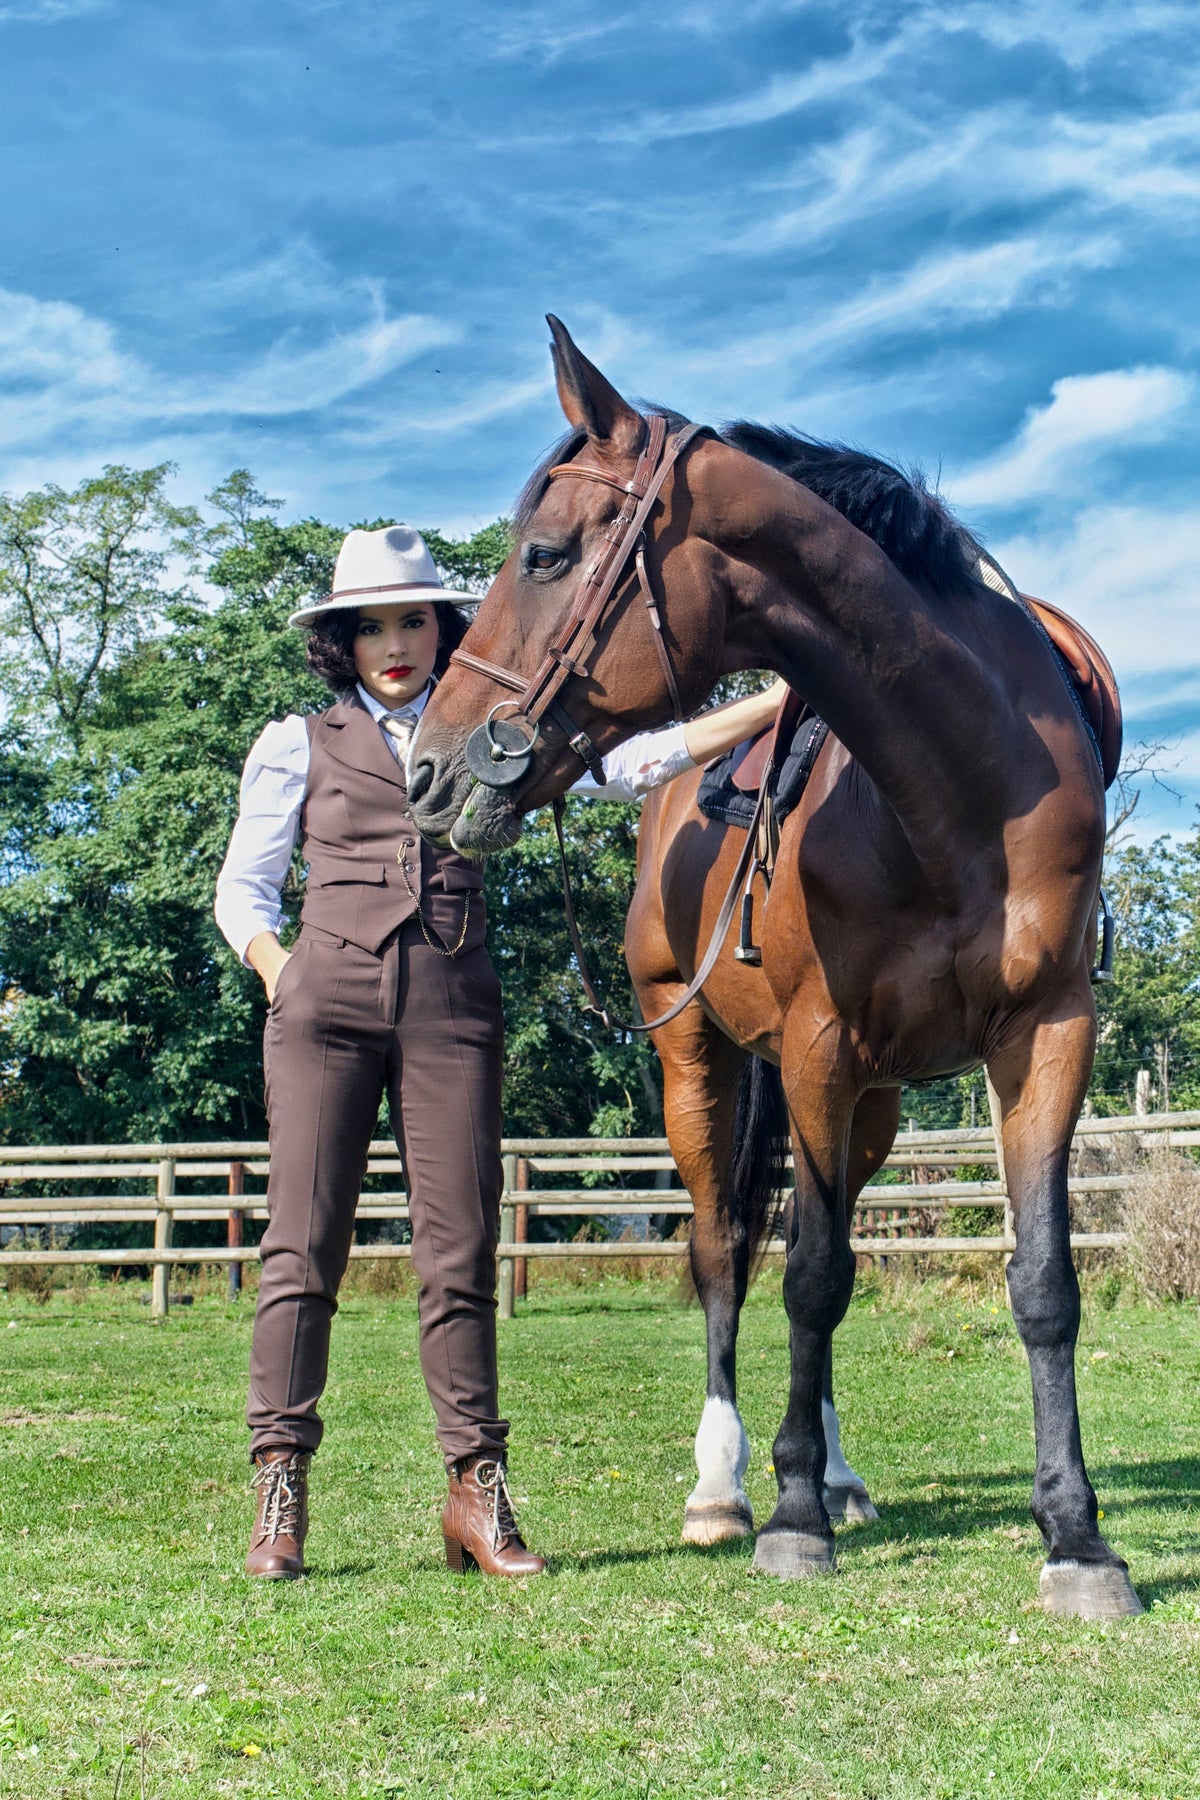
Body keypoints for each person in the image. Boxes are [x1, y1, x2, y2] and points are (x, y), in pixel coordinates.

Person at [214, 523, 786, 1582]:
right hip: (323, 1004)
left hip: (453, 1001)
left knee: (461, 1249)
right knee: (300, 1250)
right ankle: (280, 1490)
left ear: (444, 627)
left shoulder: (502, 729)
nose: (394, 641)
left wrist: (776, 702)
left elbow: (638, 763)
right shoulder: (296, 740)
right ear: (343, 639)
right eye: (370, 625)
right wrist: (281, 969)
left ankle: (476, 1489)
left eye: (413, 620)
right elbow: (242, 890)